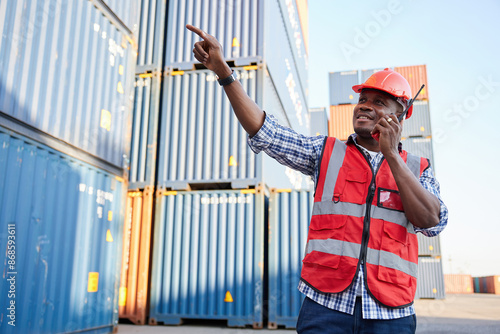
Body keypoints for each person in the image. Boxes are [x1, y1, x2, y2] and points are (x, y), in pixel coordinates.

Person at [186, 24, 448, 334]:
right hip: (325, 307)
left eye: (379, 102)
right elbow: (265, 131)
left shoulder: (419, 168)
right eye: (363, 99)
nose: (365, 105)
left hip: (390, 313)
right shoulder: (324, 153)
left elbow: (433, 222)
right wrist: (224, 74)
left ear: (402, 114)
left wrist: (392, 157)